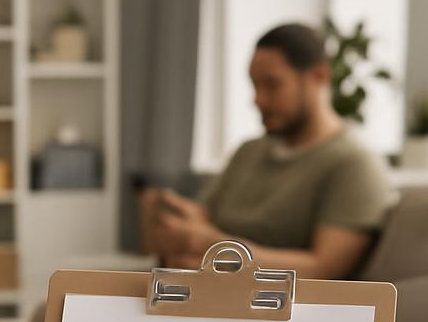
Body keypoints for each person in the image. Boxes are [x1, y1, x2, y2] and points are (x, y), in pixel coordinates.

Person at [143, 22, 392, 280]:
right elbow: (204, 217)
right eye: (254, 86)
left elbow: (325, 268)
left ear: (319, 77)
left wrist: (214, 247)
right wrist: (173, 217)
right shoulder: (248, 152)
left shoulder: (355, 164)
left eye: (272, 85)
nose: (258, 100)